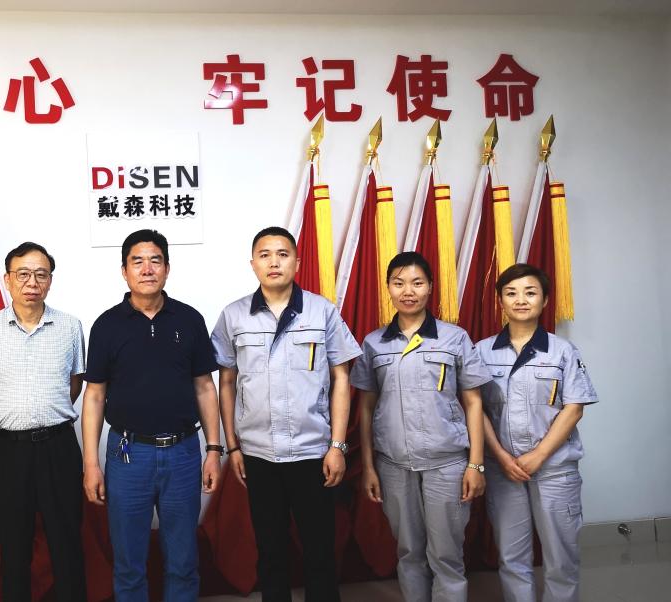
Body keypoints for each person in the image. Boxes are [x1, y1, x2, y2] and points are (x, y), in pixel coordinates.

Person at [210, 226, 361, 602]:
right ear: (253, 264)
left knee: (320, 552)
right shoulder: (234, 316)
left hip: (313, 452)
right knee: (270, 551)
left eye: (282, 254)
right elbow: (225, 382)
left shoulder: (322, 311)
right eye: (265, 255)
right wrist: (233, 446)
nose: (274, 262)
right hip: (259, 454)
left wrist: (338, 446)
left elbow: (342, 379)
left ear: (297, 262)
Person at [81, 228, 222, 602]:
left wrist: (213, 449)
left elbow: (205, 387)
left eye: (155, 261)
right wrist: (91, 464)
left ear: (167, 268)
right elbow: (94, 396)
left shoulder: (188, 319)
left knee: (183, 559)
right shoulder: (107, 325)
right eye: (137, 261)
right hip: (128, 454)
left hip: (183, 453)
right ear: (124, 271)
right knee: (129, 562)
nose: (147, 269)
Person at [351, 251, 491, 602]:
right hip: (394, 465)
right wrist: (369, 467)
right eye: (399, 283)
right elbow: (366, 407)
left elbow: (474, 402)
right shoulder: (374, 343)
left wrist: (475, 464)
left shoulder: (454, 338)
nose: (408, 291)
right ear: (388, 288)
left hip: (447, 464)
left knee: (446, 555)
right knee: (409, 551)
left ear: (430, 287)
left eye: (417, 283)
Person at [0, 242, 87, 602]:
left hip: (59, 447)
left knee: (66, 540)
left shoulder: (70, 326)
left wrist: (47, 414)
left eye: (40, 274)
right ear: (7, 279)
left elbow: (75, 383)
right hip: (10, 450)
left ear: (50, 280)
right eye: (22, 274)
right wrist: (9, 420)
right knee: (13, 543)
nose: (31, 282)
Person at [477, 263, 598, 602]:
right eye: (511, 293)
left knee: (561, 559)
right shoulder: (481, 351)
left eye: (530, 293)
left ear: (544, 300)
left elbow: (574, 408)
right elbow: (475, 409)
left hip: (554, 469)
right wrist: (502, 457)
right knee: (512, 558)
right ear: (500, 300)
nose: (521, 300)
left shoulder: (563, 351)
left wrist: (538, 455)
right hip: (504, 470)